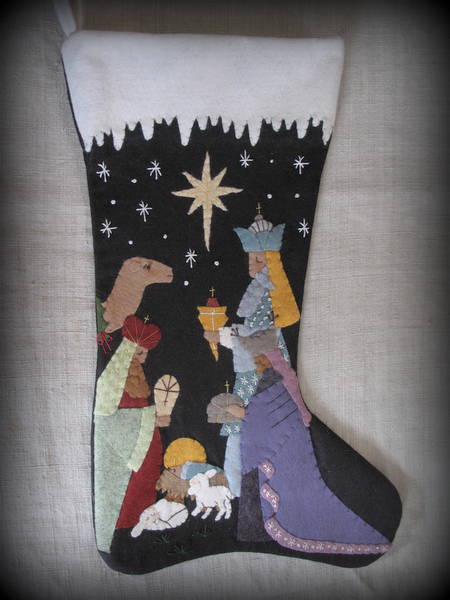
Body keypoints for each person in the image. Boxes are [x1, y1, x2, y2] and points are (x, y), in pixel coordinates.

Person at [204, 212, 300, 497]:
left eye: (258, 259)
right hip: (251, 368)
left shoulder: (271, 294)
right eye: (251, 259)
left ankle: (247, 487)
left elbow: (260, 335)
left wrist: (224, 336)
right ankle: (238, 487)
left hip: (261, 371)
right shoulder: (258, 290)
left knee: (246, 423)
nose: (252, 265)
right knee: (240, 423)